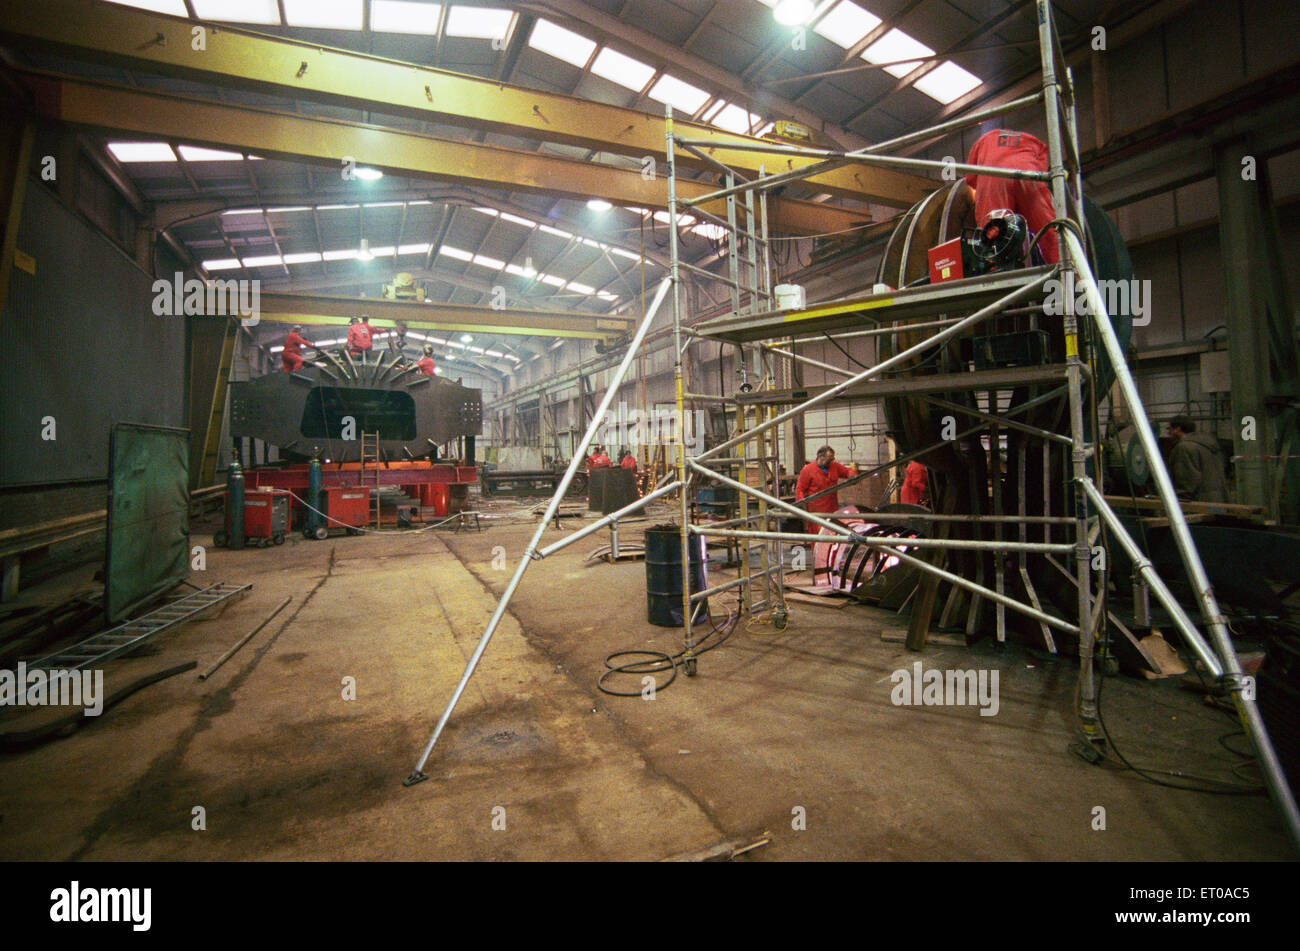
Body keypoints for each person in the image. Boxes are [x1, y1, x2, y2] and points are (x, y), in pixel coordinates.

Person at [965, 128, 1059, 265]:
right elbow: (1042, 171)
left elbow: (971, 178)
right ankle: (1069, 274)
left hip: (993, 176)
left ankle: (996, 274)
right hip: (1028, 173)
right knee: (1050, 232)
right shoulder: (1033, 141)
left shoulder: (983, 141)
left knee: (993, 234)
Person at [1167, 415, 1227, 502]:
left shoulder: (1184, 447)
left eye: (1169, 429)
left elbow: (1186, 479)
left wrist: (1181, 501)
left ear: (1178, 429)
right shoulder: (1209, 444)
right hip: (1218, 499)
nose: (1168, 433)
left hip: (1199, 502)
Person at [795, 445, 855, 532]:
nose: (831, 461)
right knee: (818, 538)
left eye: (832, 459)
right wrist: (800, 506)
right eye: (829, 459)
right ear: (820, 457)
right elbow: (799, 489)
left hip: (832, 510)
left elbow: (848, 471)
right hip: (816, 512)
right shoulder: (807, 470)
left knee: (832, 536)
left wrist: (852, 476)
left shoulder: (834, 466)